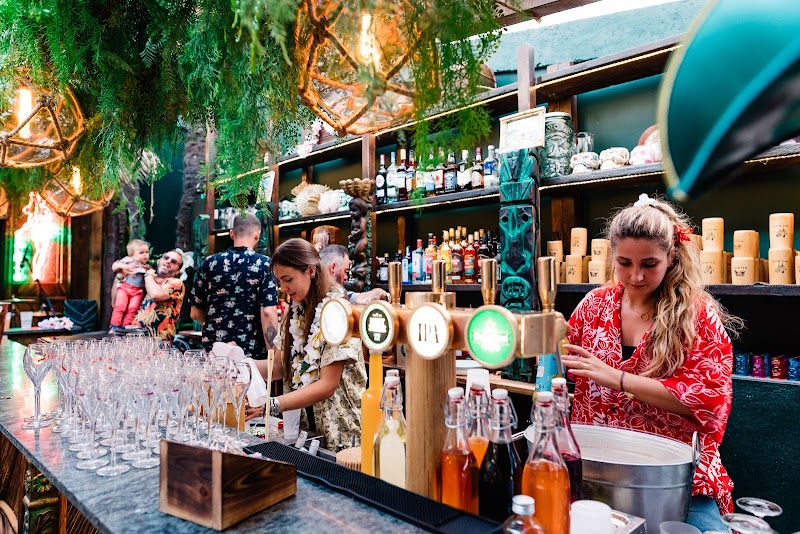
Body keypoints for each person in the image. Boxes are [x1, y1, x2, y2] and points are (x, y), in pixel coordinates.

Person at [561, 194, 741, 532]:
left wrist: (619, 379)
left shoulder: (696, 316)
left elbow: (708, 401)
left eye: (649, 264)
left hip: (674, 477)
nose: (636, 276)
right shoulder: (593, 306)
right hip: (597, 468)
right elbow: (568, 365)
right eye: (624, 262)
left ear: (671, 257)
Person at [254, 238, 366, 451]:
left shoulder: (338, 312)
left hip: (341, 433)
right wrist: (241, 366)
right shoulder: (294, 312)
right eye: (279, 281)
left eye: (288, 279)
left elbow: (327, 385)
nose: (283, 288)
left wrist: (272, 405)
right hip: (305, 432)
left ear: (310, 271)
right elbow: (279, 366)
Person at [190, 215, 279, 359]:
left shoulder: (208, 263)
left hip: (214, 351)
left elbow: (195, 312)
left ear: (232, 233)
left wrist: (216, 325)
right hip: (251, 353)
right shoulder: (265, 265)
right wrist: (272, 355)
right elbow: (268, 311)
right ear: (257, 235)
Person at [132, 249, 186, 341]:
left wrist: (148, 274)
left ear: (178, 271)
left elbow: (156, 294)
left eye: (174, 261)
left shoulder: (177, 283)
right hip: (136, 336)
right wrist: (119, 277)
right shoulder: (152, 281)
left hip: (158, 340)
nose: (168, 261)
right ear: (159, 261)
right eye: (166, 258)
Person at [319, 244, 389, 304]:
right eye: (345, 271)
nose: (346, 277)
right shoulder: (316, 293)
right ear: (333, 268)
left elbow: (354, 298)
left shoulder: (338, 292)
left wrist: (379, 293)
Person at [110, 239, 150, 328]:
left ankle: (126, 325)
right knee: (120, 306)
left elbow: (150, 275)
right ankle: (115, 325)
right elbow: (114, 266)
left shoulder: (146, 266)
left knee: (133, 308)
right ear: (132, 254)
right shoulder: (128, 260)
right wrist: (124, 266)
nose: (145, 255)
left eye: (147, 252)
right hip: (125, 288)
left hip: (138, 291)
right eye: (141, 253)